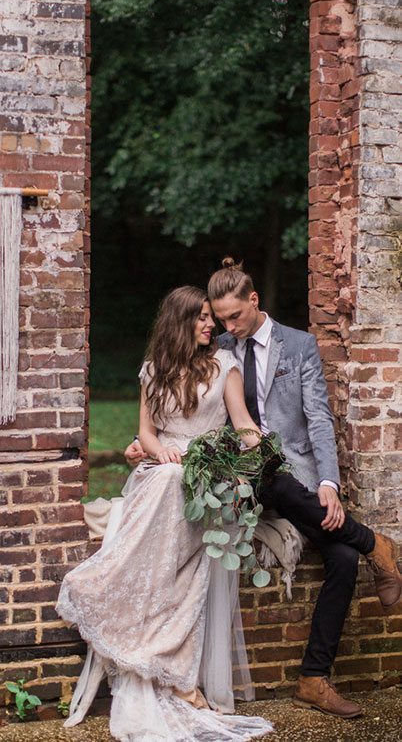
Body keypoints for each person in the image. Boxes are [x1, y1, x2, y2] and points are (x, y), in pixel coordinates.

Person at [125, 258, 402, 719]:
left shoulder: (298, 346)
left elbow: (317, 419)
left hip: (296, 474)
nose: (226, 327)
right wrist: (141, 445)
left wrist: (329, 482)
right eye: (219, 319)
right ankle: (377, 543)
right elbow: (183, 412)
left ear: (254, 301)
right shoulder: (218, 351)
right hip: (246, 472)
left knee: (342, 559)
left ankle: (314, 679)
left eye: (233, 317)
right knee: (270, 477)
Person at [57, 286, 273, 741]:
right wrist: (166, 453)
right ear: (179, 321)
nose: (209, 324)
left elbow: (243, 426)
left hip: (208, 476)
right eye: (200, 317)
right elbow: (146, 433)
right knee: (169, 478)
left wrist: (254, 454)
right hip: (163, 469)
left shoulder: (225, 368)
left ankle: (143, 621)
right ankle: (103, 584)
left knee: (179, 484)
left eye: (211, 318)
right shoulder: (153, 371)